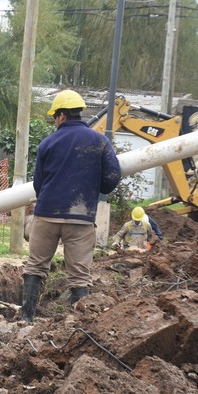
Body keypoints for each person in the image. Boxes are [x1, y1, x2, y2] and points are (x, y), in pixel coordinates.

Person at [21, 90, 121, 322]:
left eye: (55, 116)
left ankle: (26, 318)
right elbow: (113, 176)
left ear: (62, 116)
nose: (55, 121)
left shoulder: (48, 143)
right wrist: (98, 188)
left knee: (35, 267)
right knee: (79, 276)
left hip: (47, 214)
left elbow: (38, 183)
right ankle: (78, 324)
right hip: (81, 217)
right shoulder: (99, 141)